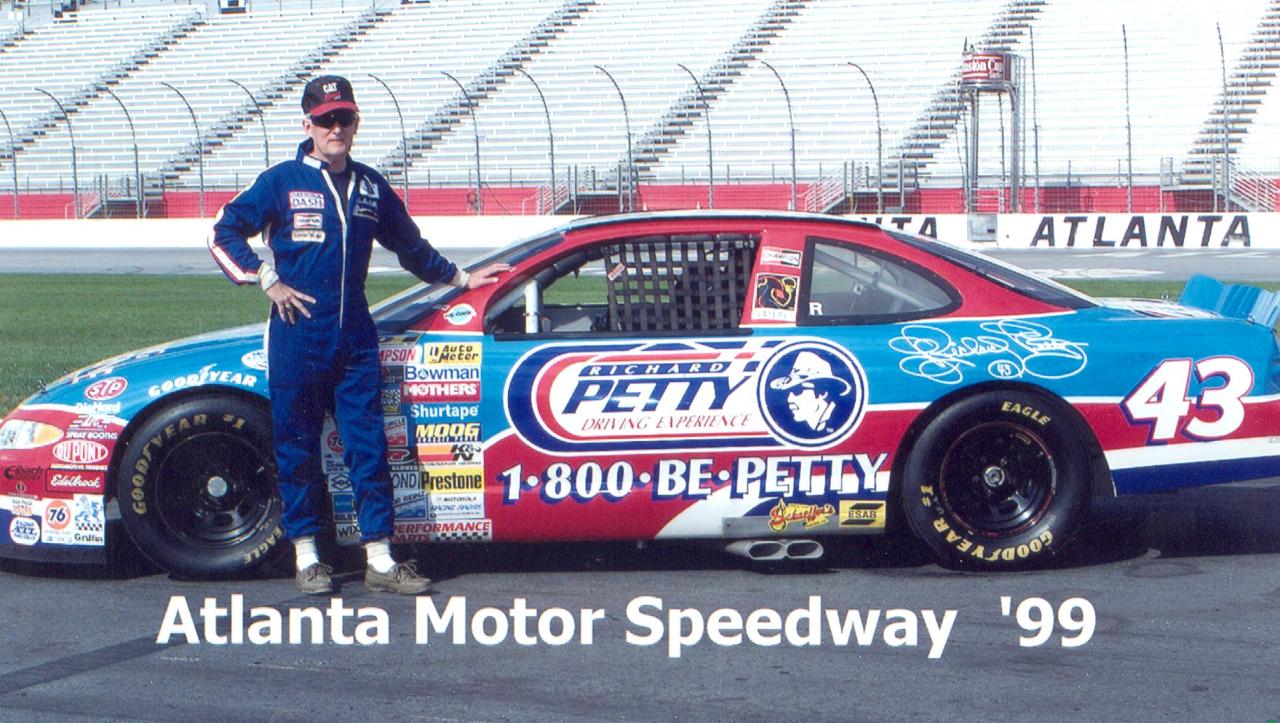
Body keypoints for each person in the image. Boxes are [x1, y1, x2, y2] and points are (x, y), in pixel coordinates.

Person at [209, 75, 507, 595]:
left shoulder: (370, 186)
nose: (336, 128)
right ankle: (307, 556)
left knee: (368, 447)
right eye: (326, 119)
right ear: (307, 125)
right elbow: (222, 231)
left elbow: (410, 245)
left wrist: (461, 279)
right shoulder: (280, 181)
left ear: (355, 123)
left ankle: (380, 559)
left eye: (344, 118)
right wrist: (265, 278)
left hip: (355, 337)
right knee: (297, 449)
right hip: (297, 335)